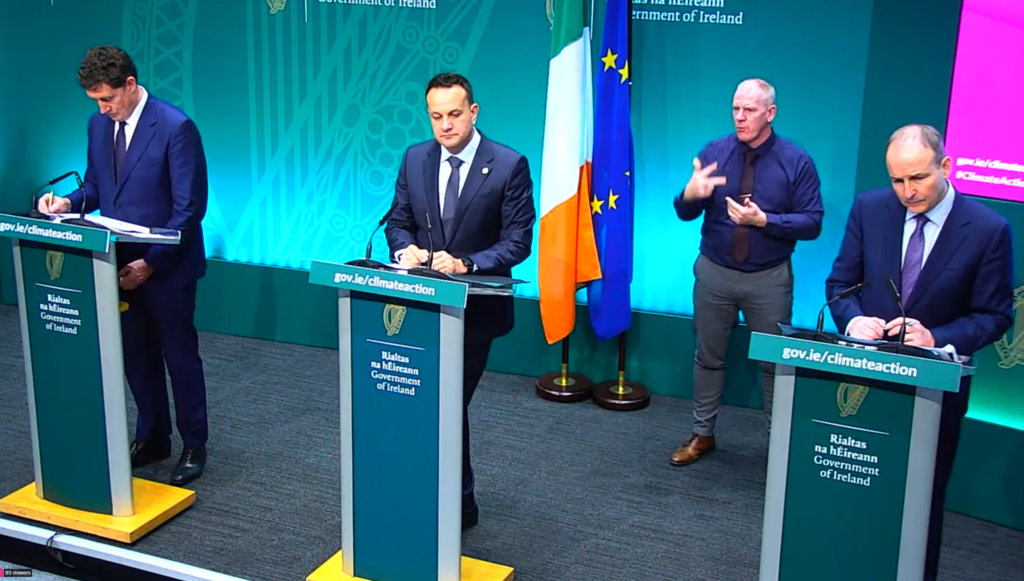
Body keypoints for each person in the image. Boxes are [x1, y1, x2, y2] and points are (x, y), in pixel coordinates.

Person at [825, 124, 1014, 581]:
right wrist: (853, 321)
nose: (907, 192)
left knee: (918, 501)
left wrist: (937, 337)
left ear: (946, 167)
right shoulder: (870, 209)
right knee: (854, 487)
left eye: (918, 179)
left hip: (935, 391)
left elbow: (995, 315)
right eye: (897, 180)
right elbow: (839, 285)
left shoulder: (989, 230)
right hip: (864, 378)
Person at [39, 46, 210, 486]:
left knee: (179, 356)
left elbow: (189, 210)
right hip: (116, 265)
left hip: (166, 268)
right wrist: (66, 204)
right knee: (136, 355)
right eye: (96, 101)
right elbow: (96, 187)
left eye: (107, 99)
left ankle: (194, 443)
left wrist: (150, 264)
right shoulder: (99, 126)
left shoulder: (176, 128)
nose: (102, 108)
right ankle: (152, 436)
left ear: (130, 85)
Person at [384, 73, 535, 529]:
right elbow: (397, 221)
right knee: (427, 401)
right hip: (419, 304)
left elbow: (518, 242)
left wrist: (466, 263)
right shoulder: (415, 158)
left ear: (473, 112)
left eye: (454, 115)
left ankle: (458, 502)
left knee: (445, 401)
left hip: (474, 312)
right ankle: (440, 497)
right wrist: (402, 248)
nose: (445, 125)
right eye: (436, 117)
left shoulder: (508, 165)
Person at [670, 78, 824, 466]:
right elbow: (684, 211)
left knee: (775, 365)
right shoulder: (715, 152)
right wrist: (691, 194)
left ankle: (779, 449)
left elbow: (812, 223)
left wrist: (765, 220)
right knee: (708, 357)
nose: (740, 117)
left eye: (749, 110)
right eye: (736, 109)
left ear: (770, 113)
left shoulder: (796, 162)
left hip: (768, 280)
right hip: (714, 273)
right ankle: (702, 434)